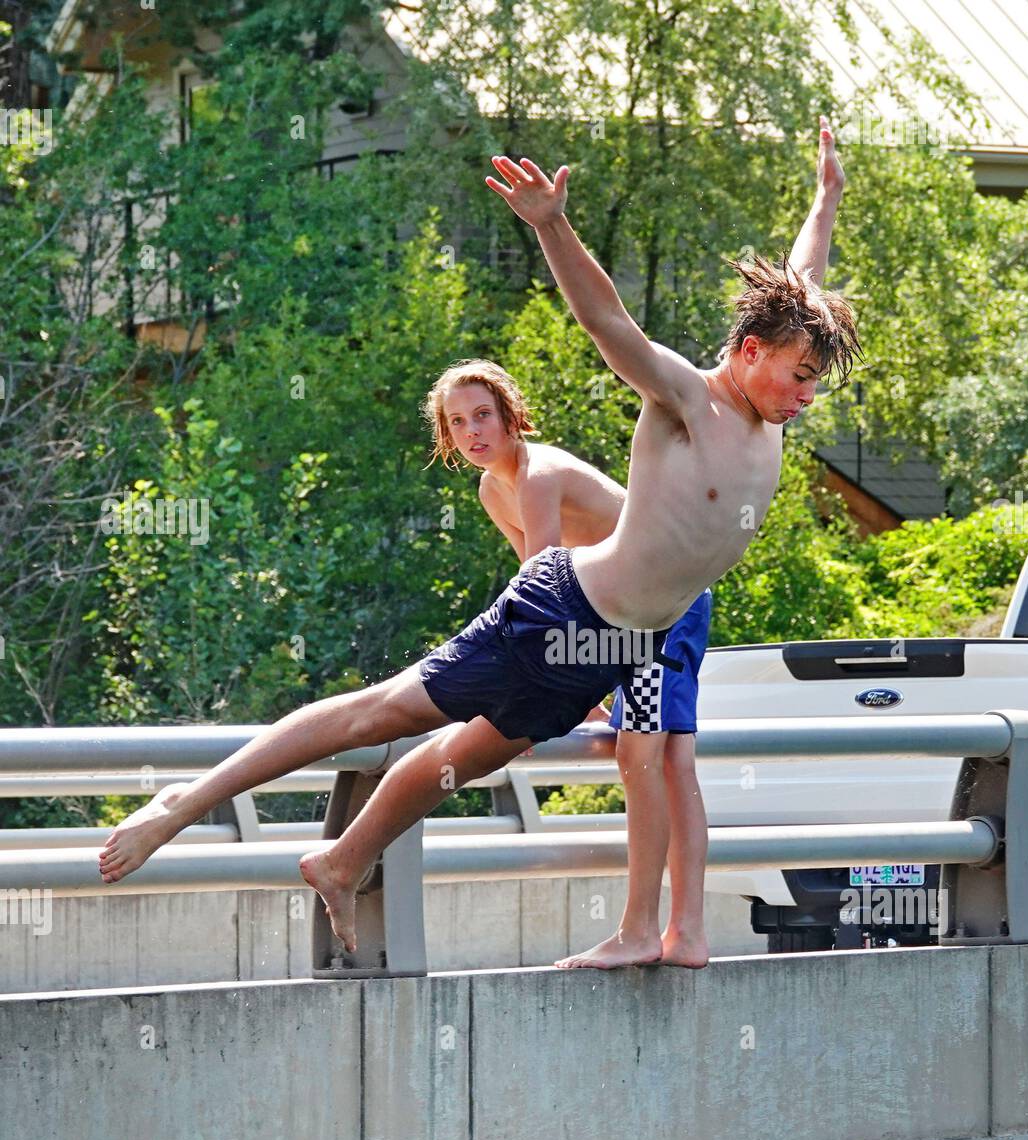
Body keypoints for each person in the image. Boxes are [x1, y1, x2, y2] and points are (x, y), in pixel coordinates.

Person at [97, 117, 859, 957]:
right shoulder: (688, 399)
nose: (805, 396)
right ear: (749, 353)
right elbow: (609, 322)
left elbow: (800, 283)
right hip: (564, 611)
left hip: (612, 649)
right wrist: (550, 224)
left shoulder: (774, 393)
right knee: (379, 712)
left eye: (814, 382)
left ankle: (343, 859)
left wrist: (825, 198)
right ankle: (180, 805)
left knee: (465, 759)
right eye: (798, 377)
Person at [425, 358, 713, 967]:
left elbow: (545, 598)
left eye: (483, 415)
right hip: (624, 615)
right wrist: (566, 693)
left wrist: (525, 701)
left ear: (510, 416)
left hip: (667, 605)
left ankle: (647, 933)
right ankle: (685, 935)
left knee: (647, 757)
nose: (473, 431)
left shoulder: (537, 476)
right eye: (457, 423)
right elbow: (534, 595)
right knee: (669, 760)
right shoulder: (491, 489)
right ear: (446, 438)